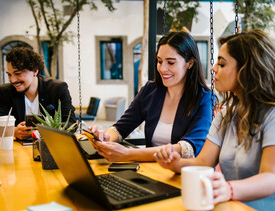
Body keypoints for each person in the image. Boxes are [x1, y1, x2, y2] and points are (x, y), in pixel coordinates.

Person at [154, 30, 275, 211]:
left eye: (222, 64)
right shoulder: (228, 113)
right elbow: (203, 161)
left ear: (248, 69)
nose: (213, 68)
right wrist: (175, 163)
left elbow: (271, 178)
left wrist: (228, 189)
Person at [88, 31, 212, 162]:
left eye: (170, 62)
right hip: (152, 172)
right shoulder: (150, 91)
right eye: (159, 61)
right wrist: (104, 138)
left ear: (190, 63)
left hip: (185, 177)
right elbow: (120, 129)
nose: (162, 68)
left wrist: (127, 154)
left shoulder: (204, 98)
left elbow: (188, 149)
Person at [0, 47, 76, 140]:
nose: (12, 80)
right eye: (9, 74)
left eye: (18, 73)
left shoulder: (57, 89)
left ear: (35, 71)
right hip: (18, 149)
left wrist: (48, 132)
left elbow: (71, 124)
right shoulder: (4, 92)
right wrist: (15, 131)